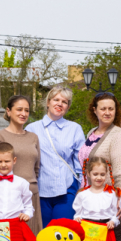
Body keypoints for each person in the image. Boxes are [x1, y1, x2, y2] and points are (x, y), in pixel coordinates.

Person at [0, 95, 43, 241]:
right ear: (8, 111)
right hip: (9, 198)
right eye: (19, 109)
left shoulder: (33, 137)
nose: (23, 113)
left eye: (26, 110)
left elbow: (37, 167)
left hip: (31, 195)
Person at [27, 86, 83, 226]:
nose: (60, 104)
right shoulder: (32, 129)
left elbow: (81, 161)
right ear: (48, 102)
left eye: (64, 101)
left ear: (68, 107)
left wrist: (81, 187)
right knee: (45, 236)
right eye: (56, 99)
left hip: (66, 188)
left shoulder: (74, 128)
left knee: (64, 232)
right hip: (41, 190)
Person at [78, 93, 121, 192]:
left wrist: (119, 196)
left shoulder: (118, 135)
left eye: (111, 109)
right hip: (87, 192)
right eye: (103, 109)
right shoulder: (91, 133)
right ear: (95, 110)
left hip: (106, 196)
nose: (107, 112)